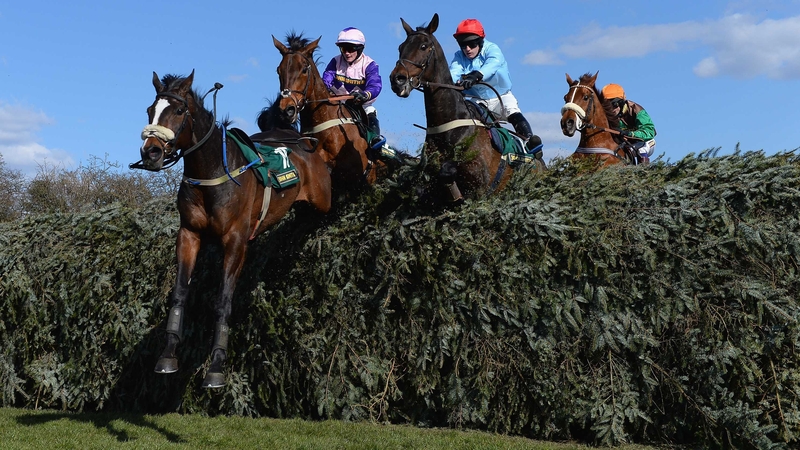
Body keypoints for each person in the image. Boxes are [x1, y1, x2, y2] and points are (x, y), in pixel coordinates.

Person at [449, 18, 542, 157]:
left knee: (512, 111)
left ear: (480, 41)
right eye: (463, 45)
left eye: (471, 44)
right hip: (478, 101)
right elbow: (453, 72)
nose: (467, 49)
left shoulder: (492, 49)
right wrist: (457, 81)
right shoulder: (458, 56)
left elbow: (493, 64)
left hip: (501, 97)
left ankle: (531, 143)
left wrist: (477, 75)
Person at [322, 27, 385, 151]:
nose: (346, 53)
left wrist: (365, 95)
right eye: (344, 49)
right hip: (337, 104)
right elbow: (326, 79)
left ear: (360, 48)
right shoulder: (335, 61)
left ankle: (375, 141)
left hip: (361, 104)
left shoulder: (370, 64)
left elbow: (375, 85)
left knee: (370, 112)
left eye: (350, 49)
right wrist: (325, 88)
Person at [601, 83, 657, 165]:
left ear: (621, 102)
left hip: (645, 142)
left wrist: (630, 134)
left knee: (641, 149)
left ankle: (644, 172)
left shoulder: (636, 110)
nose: (611, 109)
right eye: (607, 106)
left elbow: (649, 132)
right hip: (623, 144)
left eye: (614, 104)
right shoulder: (604, 115)